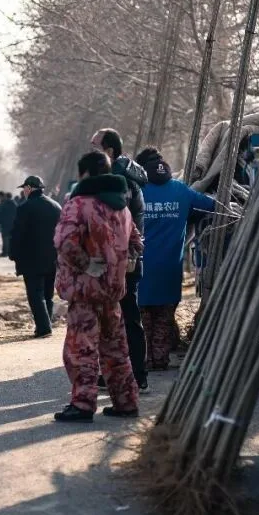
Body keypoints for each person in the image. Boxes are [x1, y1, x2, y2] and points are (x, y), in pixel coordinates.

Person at [53, 150, 142, 423]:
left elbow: (65, 241)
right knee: (116, 349)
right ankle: (126, 402)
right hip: (113, 292)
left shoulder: (78, 204)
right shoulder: (122, 207)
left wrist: (84, 264)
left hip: (85, 291)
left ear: (86, 174)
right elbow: (137, 242)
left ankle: (82, 404)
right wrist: (127, 262)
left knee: (82, 348)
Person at [134, 147, 216, 370]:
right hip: (170, 270)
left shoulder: (135, 191)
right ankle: (160, 359)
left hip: (138, 269)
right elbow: (213, 206)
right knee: (163, 317)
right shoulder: (181, 191)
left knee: (141, 319)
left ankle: (143, 360)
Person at [91, 128, 149, 392]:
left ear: (109, 152)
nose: (91, 153)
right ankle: (115, 373)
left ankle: (137, 375)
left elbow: (119, 225)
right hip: (120, 260)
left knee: (127, 318)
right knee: (114, 320)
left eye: (95, 148)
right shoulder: (118, 178)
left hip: (124, 262)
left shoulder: (119, 182)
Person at [9, 176, 62, 338]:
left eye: (24, 188)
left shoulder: (24, 207)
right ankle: (46, 325)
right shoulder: (56, 206)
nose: (23, 192)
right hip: (53, 257)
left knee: (35, 294)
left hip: (31, 259)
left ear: (30, 188)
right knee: (48, 294)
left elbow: (17, 234)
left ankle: (44, 328)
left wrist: (13, 253)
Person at [0, 191, 18, 258]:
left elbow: (0, 214)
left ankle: (5, 252)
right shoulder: (14, 204)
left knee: (5, 238)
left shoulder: (4, 204)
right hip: (12, 224)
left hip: (5, 224)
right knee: (10, 238)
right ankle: (10, 252)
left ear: (6, 197)